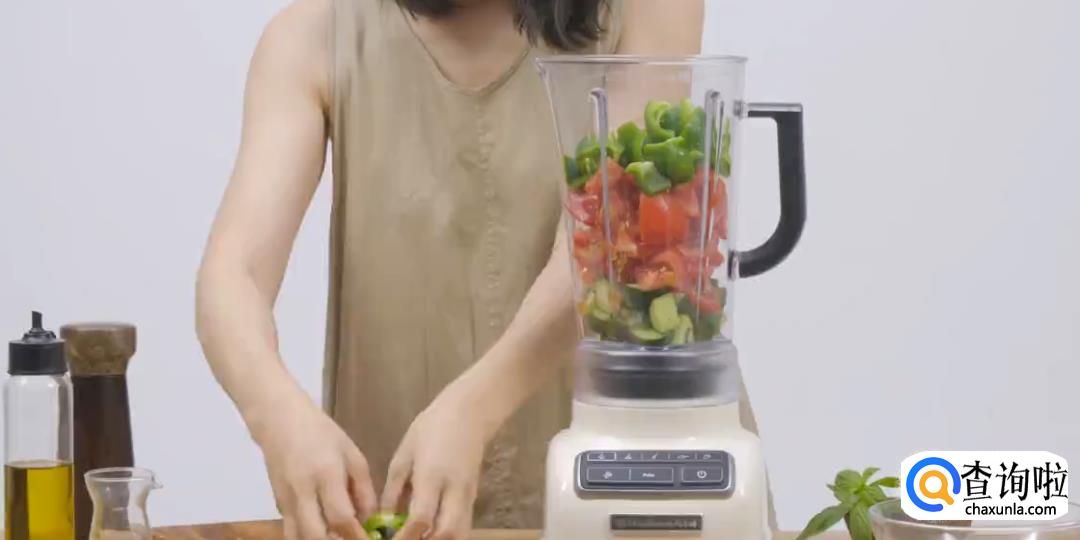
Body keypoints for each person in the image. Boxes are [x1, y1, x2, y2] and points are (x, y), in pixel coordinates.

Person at [195, 1, 771, 539]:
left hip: (631, 484)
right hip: (411, 498)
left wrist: (472, 411)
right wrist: (279, 417)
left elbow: (608, 240)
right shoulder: (314, 36)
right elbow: (235, 275)